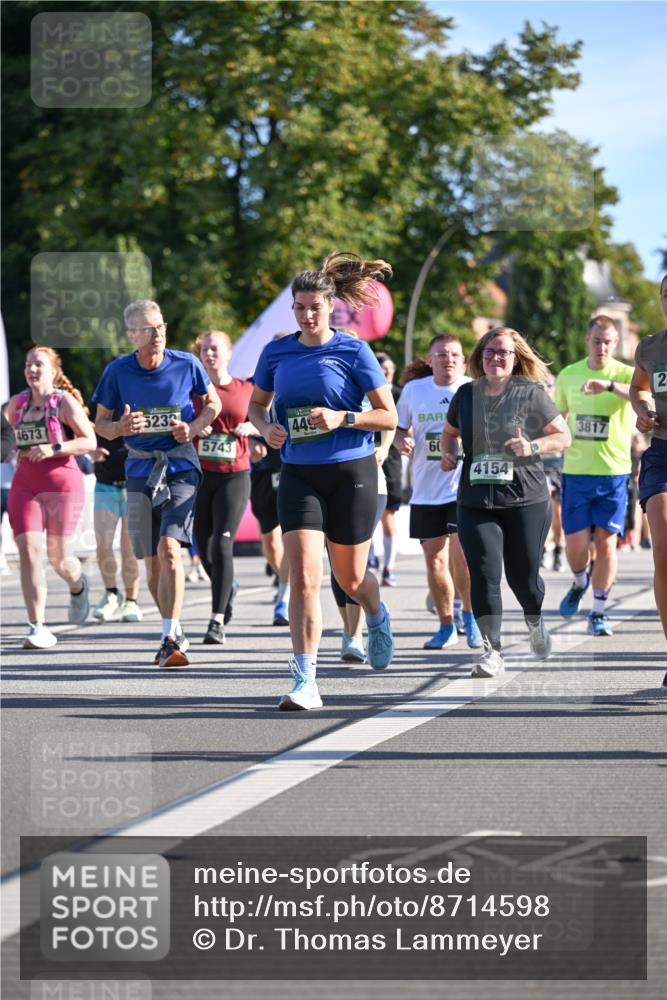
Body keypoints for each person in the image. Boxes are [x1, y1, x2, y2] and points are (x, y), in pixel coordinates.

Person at [249, 251, 397, 710]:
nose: (307, 314)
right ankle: (305, 680)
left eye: (315, 306)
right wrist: (264, 427)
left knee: (350, 578)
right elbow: (257, 404)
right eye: (299, 307)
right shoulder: (277, 351)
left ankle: (375, 612)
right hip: (299, 474)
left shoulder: (353, 349)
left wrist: (343, 416)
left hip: (351, 469)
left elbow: (387, 415)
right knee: (305, 578)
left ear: (331, 306)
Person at [93, 299, 221, 668]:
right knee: (152, 564)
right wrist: (119, 428)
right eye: (149, 329)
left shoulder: (187, 363)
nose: (158, 334)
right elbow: (100, 422)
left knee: (169, 548)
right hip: (139, 470)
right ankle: (174, 627)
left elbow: (211, 404)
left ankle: (169, 635)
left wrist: (192, 428)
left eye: (161, 326)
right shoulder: (118, 371)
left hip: (180, 465)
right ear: (133, 334)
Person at [441, 327, 571, 677]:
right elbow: (450, 433)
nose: (496, 358)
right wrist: (448, 454)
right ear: (479, 356)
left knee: (524, 578)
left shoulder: (531, 393)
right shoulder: (465, 395)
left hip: (525, 499)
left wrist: (532, 446)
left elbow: (563, 436)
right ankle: (491, 651)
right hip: (475, 499)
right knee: (482, 574)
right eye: (489, 352)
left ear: (515, 359)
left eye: (503, 353)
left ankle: (534, 619)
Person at [394, 335, 482, 650]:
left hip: (463, 488)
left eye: (455, 355)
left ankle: (470, 618)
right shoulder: (414, 391)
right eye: (442, 355)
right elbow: (398, 427)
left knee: (462, 558)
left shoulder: (474, 389)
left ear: (463, 359)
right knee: (434, 563)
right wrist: (400, 439)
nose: (449, 360)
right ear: (430, 360)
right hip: (425, 491)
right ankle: (446, 625)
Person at [6, 347, 96, 648]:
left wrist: (54, 448)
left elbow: (89, 440)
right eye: (28, 364)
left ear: (53, 371)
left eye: (39, 364)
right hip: (25, 483)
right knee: (29, 552)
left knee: (59, 558)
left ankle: (78, 584)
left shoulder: (62, 401)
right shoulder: (16, 404)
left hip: (61, 483)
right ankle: (37, 626)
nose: (32, 369)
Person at [555, 316, 634, 636]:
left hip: (614, 472)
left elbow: (642, 394)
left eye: (608, 341)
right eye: (597, 340)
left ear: (615, 343)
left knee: (606, 547)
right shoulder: (569, 375)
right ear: (587, 339)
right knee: (575, 547)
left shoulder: (626, 374)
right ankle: (579, 582)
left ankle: (598, 611)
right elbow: (557, 418)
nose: (601, 346)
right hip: (576, 472)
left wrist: (611, 387)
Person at [192, 330, 254, 645]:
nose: (209, 354)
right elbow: (182, 422)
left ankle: (216, 620)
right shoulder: (194, 390)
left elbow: (267, 417)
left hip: (235, 474)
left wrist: (253, 427)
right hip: (202, 475)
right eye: (204, 349)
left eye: (215, 349)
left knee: (222, 542)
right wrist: (194, 430)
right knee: (201, 542)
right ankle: (227, 585)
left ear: (228, 354)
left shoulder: (245, 388)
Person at [630, 273, 667, 686]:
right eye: (666, 293)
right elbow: (639, 387)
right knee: (664, 556)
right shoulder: (651, 347)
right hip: (662, 452)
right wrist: (642, 411)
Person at [90, 413, 142, 623]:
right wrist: (90, 450)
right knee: (103, 544)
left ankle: (131, 600)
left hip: (134, 485)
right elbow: (78, 434)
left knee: (128, 547)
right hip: (105, 484)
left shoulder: (140, 395)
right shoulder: (98, 403)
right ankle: (111, 593)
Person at [374, 351, 403, 585]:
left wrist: (403, 440)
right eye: (383, 369)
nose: (387, 373)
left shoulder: (398, 394)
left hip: (390, 459)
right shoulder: (364, 392)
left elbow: (405, 427)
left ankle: (389, 566)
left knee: (388, 516)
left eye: (390, 369)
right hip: (362, 457)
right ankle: (370, 557)